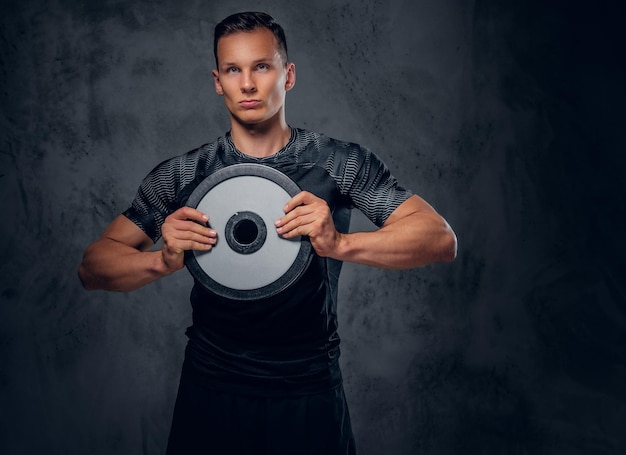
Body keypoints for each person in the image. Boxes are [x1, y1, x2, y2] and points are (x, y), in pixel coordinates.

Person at [78, 11, 457, 455]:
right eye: (233, 70)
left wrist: (341, 244)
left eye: (262, 66)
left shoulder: (338, 163)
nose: (248, 84)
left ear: (288, 74)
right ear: (217, 81)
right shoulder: (184, 175)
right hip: (210, 390)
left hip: (307, 390)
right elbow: (91, 267)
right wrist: (161, 259)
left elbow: (439, 239)